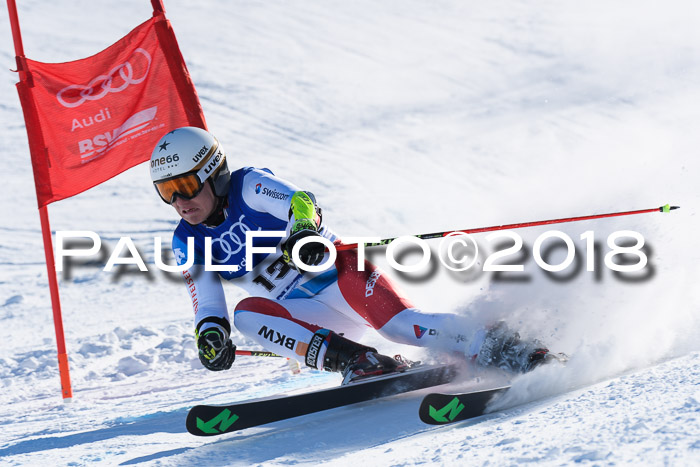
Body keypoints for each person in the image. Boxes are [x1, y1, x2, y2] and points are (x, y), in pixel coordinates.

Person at [149, 126, 560, 383]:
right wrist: (212, 335)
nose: (180, 201)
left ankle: (509, 347)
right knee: (245, 315)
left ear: (213, 173)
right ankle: (357, 361)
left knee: (401, 328)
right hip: (308, 315)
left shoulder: (249, 186)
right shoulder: (188, 240)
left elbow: (299, 202)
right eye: (167, 191)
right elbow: (208, 302)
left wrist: (304, 232)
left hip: (341, 276)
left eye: (184, 184)